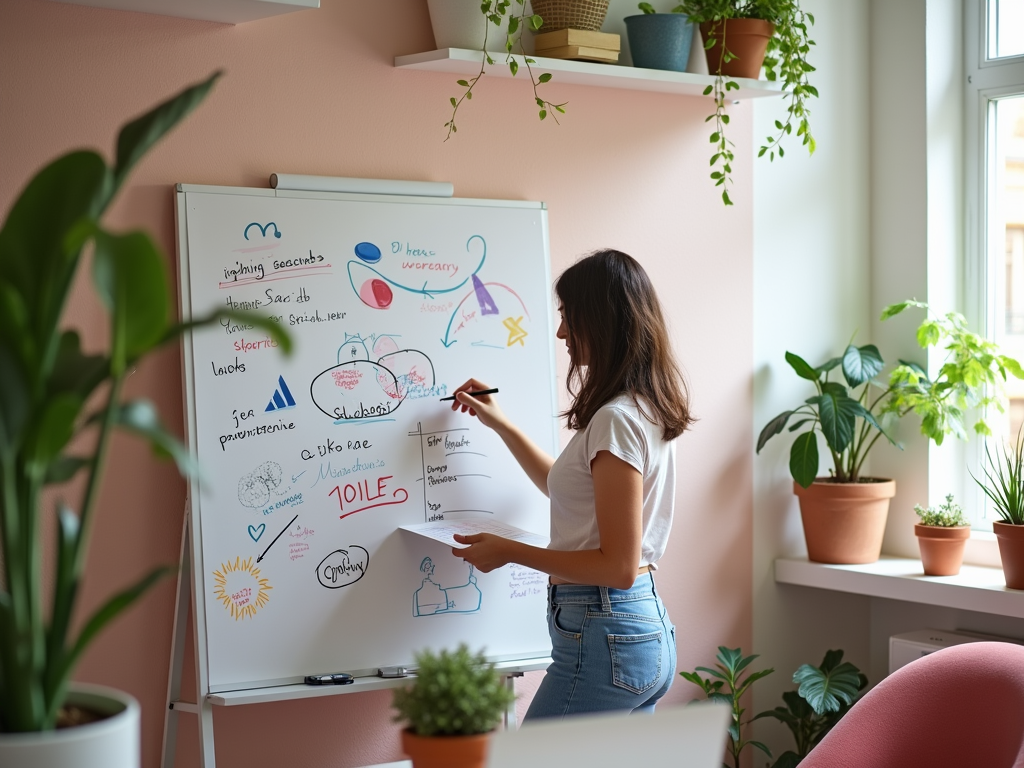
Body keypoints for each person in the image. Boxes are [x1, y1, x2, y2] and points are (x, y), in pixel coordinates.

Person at [448, 249, 693, 720]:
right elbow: (568, 490)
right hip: (636, 628)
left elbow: (617, 565)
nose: (561, 333)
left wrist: (510, 551)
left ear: (601, 321)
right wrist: (503, 425)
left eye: (569, 318)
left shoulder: (615, 419)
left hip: (607, 629)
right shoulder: (641, 408)